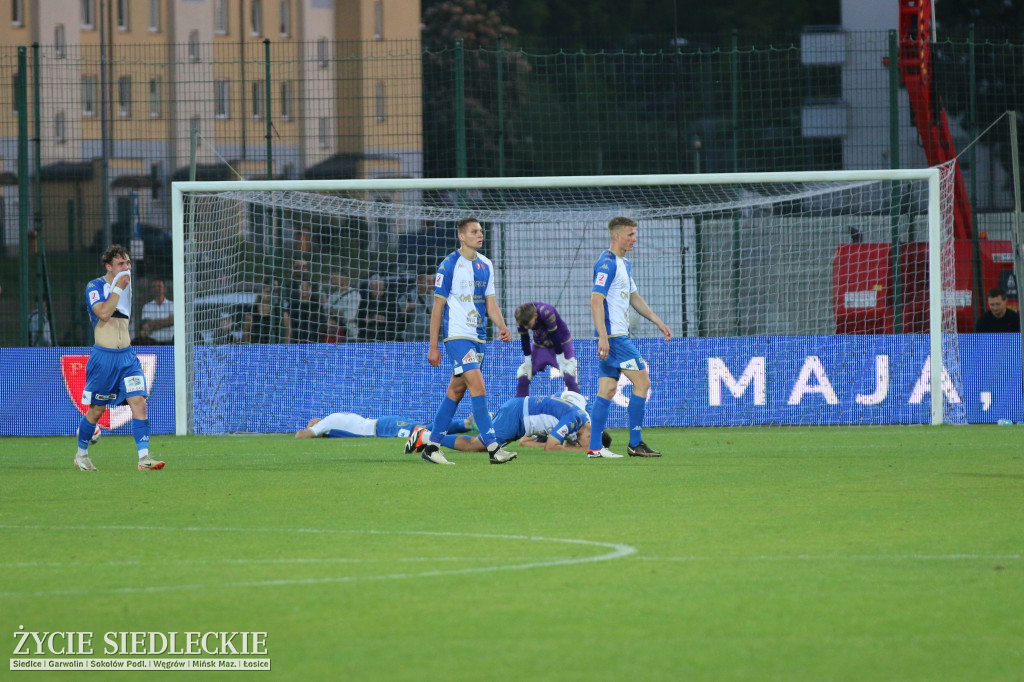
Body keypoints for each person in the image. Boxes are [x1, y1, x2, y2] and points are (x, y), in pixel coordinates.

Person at [419, 217, 516, 465]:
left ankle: (431, 445)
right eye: (474, 231)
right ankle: (495, 448)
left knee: (456, 390)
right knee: (478, 387)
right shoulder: (448, 265)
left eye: (481, 231)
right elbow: (437, 307)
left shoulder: (486, 265)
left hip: (478, 337)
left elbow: (490, 302)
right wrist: (434, 346)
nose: (480, 235)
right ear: (461, 236)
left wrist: (502, 326)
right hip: (457, 336)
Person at [73, 244, 164, 471]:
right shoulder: (94, 286)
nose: (127, 268)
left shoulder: (125, 285)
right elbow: (103, 314)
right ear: (109, 266)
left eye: (128, 263)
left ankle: (144, 459)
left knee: (139, 402)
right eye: (121, 264)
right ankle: (81, 454)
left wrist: (121, 287)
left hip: (127, 357)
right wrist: (118, 289)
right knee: (97, 410)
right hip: (104, 358)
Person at [588, 216, 673, 459]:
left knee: (607, 389)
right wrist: (603, 336)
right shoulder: (607, 263)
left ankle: (595, 448)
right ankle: (635, 443)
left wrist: (658, 322)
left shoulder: (624, 263)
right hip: (614, 337)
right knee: (642, 383)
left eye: (634, 234)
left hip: (615, 335)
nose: (634, 239)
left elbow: (635, 298)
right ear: (616, 236)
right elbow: (596, 300)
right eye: (630, 235)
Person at [406, 391, 609, 455]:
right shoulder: (574, 420)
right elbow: (550, 447)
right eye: (591, 445)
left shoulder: (581, 420)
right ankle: (424, 437)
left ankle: (475, 423)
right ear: (591, 436)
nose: (587, 448)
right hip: (517, 416)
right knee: (478, 446)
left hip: (519, 412)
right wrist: (582, 451)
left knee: (480, 434)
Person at [513, 301, 579, 397]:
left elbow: (554, 335)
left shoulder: (547, 312)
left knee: (569, 375)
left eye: (528, 323)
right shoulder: (521, 316)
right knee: (523, 376)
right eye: (523, 325)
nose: (526, 327)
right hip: (540, 346)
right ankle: (520, 407)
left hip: (562, 343)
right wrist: (527, 362)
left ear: (535, 315)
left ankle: (580, 408)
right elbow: (524, 338)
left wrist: (561, 359)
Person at [295, 412, 473, 439]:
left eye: (311, 422)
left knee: (420, 431)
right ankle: (464, 425)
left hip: (382, 427)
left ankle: (464, 425)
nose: (311, 422)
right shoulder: (333, 424)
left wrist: (310, 430)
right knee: (422, 430)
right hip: (382, 425)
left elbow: (303, 436)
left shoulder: (327, 422)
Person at [243, 279, 291, 344]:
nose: (271, 295)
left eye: (275, 292)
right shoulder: (251, 312)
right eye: (268, 292)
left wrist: (284, 349)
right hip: (256, 350)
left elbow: (288, 332)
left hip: (275, 350)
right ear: (260, 292)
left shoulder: (281, 312)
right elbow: (246, 333)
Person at [358, 274, 398, 341]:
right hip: (368, 336)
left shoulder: (390, 299)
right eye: (375, 287)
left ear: (383, 287)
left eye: (379, 287)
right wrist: (373, 317)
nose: (377, 290)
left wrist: (383, 318)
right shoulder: (364, 300)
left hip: (387, 336)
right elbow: (360, 317)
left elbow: (394, 316)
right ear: (370, 287)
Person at [324, 271, 360, 342]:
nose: (332, 280)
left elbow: (349, 316)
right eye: (332, 278)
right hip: (334, 334)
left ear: (343, 277)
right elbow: (326, 311)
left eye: (334, 278)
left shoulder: (354, 294)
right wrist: (339, 312)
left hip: (350, 334)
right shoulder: (333, 295)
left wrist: (334, 312)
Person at [399, 271, 435, 341]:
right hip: (414, 337)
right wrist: (409, 307)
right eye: (428, 281)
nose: (431, 284)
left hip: (433, 337)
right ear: (419, 282)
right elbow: (401, 312)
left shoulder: (437, 297)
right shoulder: (408, 296)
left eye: (432, 281)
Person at [291, 277, 326, 343]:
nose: (304, 289)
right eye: (302, 287)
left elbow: (322, 322)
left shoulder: (317, 305)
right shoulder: (293, 305)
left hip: (314, 340)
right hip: (297, 340)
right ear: (298, 288)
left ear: (310, 289)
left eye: (307, 287)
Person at [140, 278, 174, 345]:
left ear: (164, 289)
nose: (156, 289)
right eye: (154, 287)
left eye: (159, 286)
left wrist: (152, 324)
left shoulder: (172, 305)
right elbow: (146, 326)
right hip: (152, 344)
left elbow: (173, 321)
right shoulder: (146, 307)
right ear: (151, 290)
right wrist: (168, 321)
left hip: (170, 343)